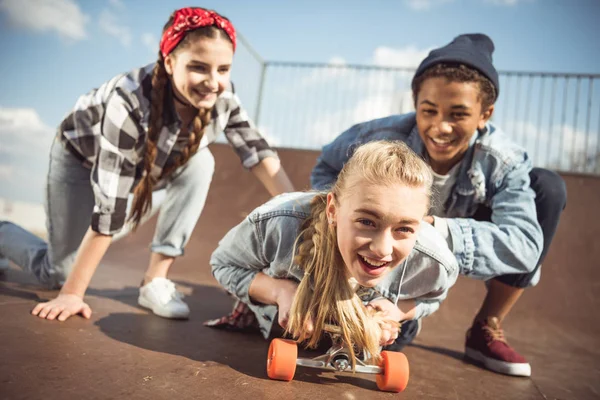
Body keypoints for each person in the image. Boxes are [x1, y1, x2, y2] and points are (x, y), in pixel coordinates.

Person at [0, 7, 294, 322]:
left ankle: (155, 280)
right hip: (80, 159)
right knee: (57, 273)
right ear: (169, 62)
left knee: (201, 162)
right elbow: (111, 208)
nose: (213, 82)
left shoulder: (222, 98)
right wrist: (72, 294)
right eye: (198, 67)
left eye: (224, 69)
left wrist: (300, 210)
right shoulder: (128, 102)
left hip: (146, 169)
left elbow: (259, 153)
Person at [310, 34, 567, 377]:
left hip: (451, 230)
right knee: (386, 339)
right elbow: (326, 167)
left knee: (548, 188)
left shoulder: (502, 161)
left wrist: (436, 229)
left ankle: (485, 327)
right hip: (390, 241)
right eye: (428, 111)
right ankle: (359, 302)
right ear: (415, 104)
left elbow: (525, 245)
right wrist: (346, 215)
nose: (440, 127)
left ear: (484, 114)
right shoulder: (380, 136)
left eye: (458, 114)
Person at [207, 140, 458, 363]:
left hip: (375, 332)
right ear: (333, 210)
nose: (382, 249)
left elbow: (434, 296)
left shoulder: (435, 260)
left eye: (404, 228)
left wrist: (397, 310)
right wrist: (280, 291)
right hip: (288, 325)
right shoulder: (280, 222)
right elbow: (223, 264)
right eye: (367, 222)